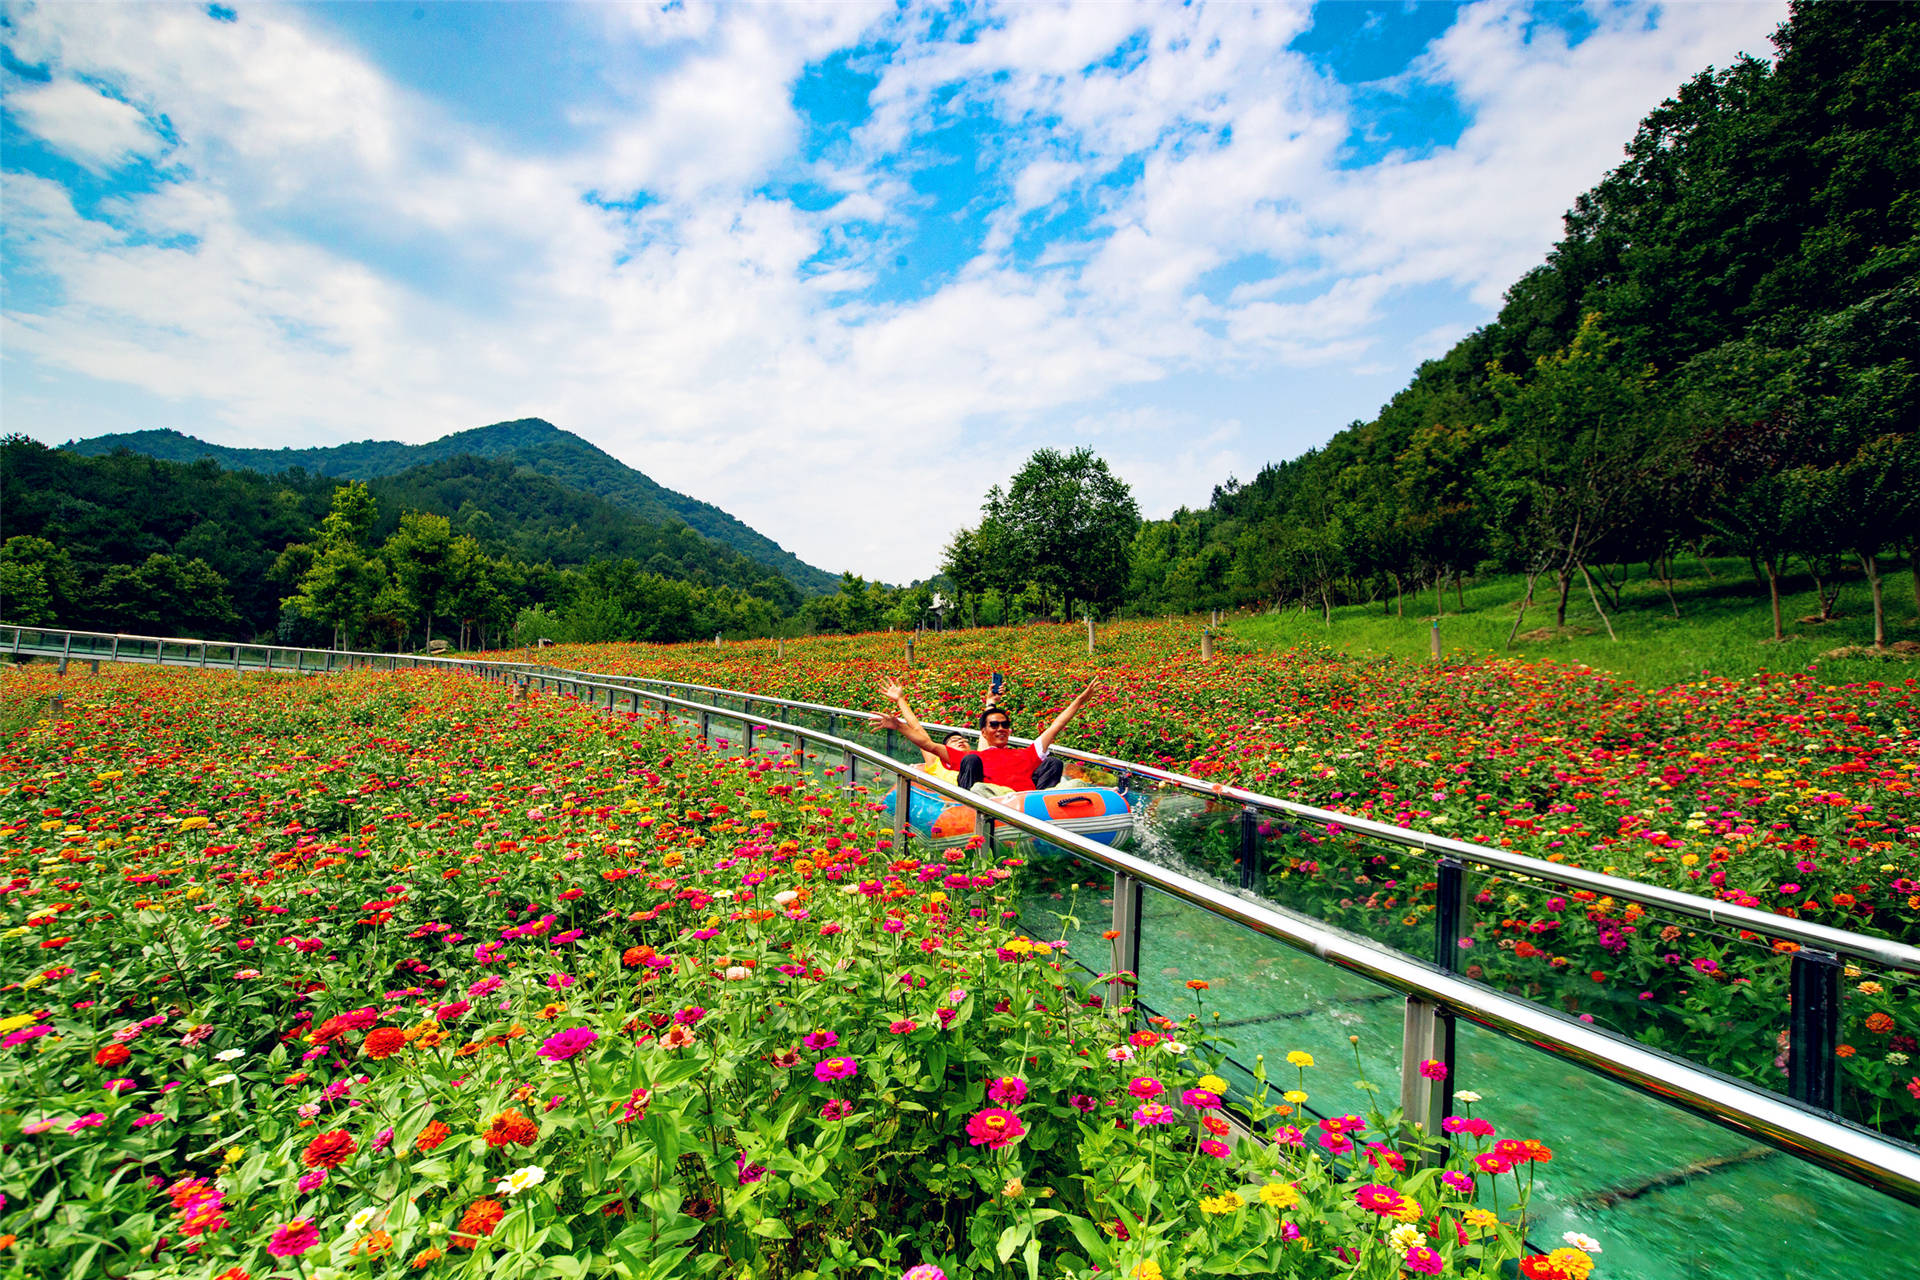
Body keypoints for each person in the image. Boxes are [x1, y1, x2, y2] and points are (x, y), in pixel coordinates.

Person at [882, 678, 1099, 794]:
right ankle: (973, 805)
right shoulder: (947, 762)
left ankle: (1049, 804)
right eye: (954, 741)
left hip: (1016, 796)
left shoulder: (984, 753)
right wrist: (899, 716)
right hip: (980, 792)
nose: (961, 741)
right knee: (972, 760)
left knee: (1053, 763)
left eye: (1005, 725)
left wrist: (1079, 700)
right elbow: (923, 738)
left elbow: (1055, 726)